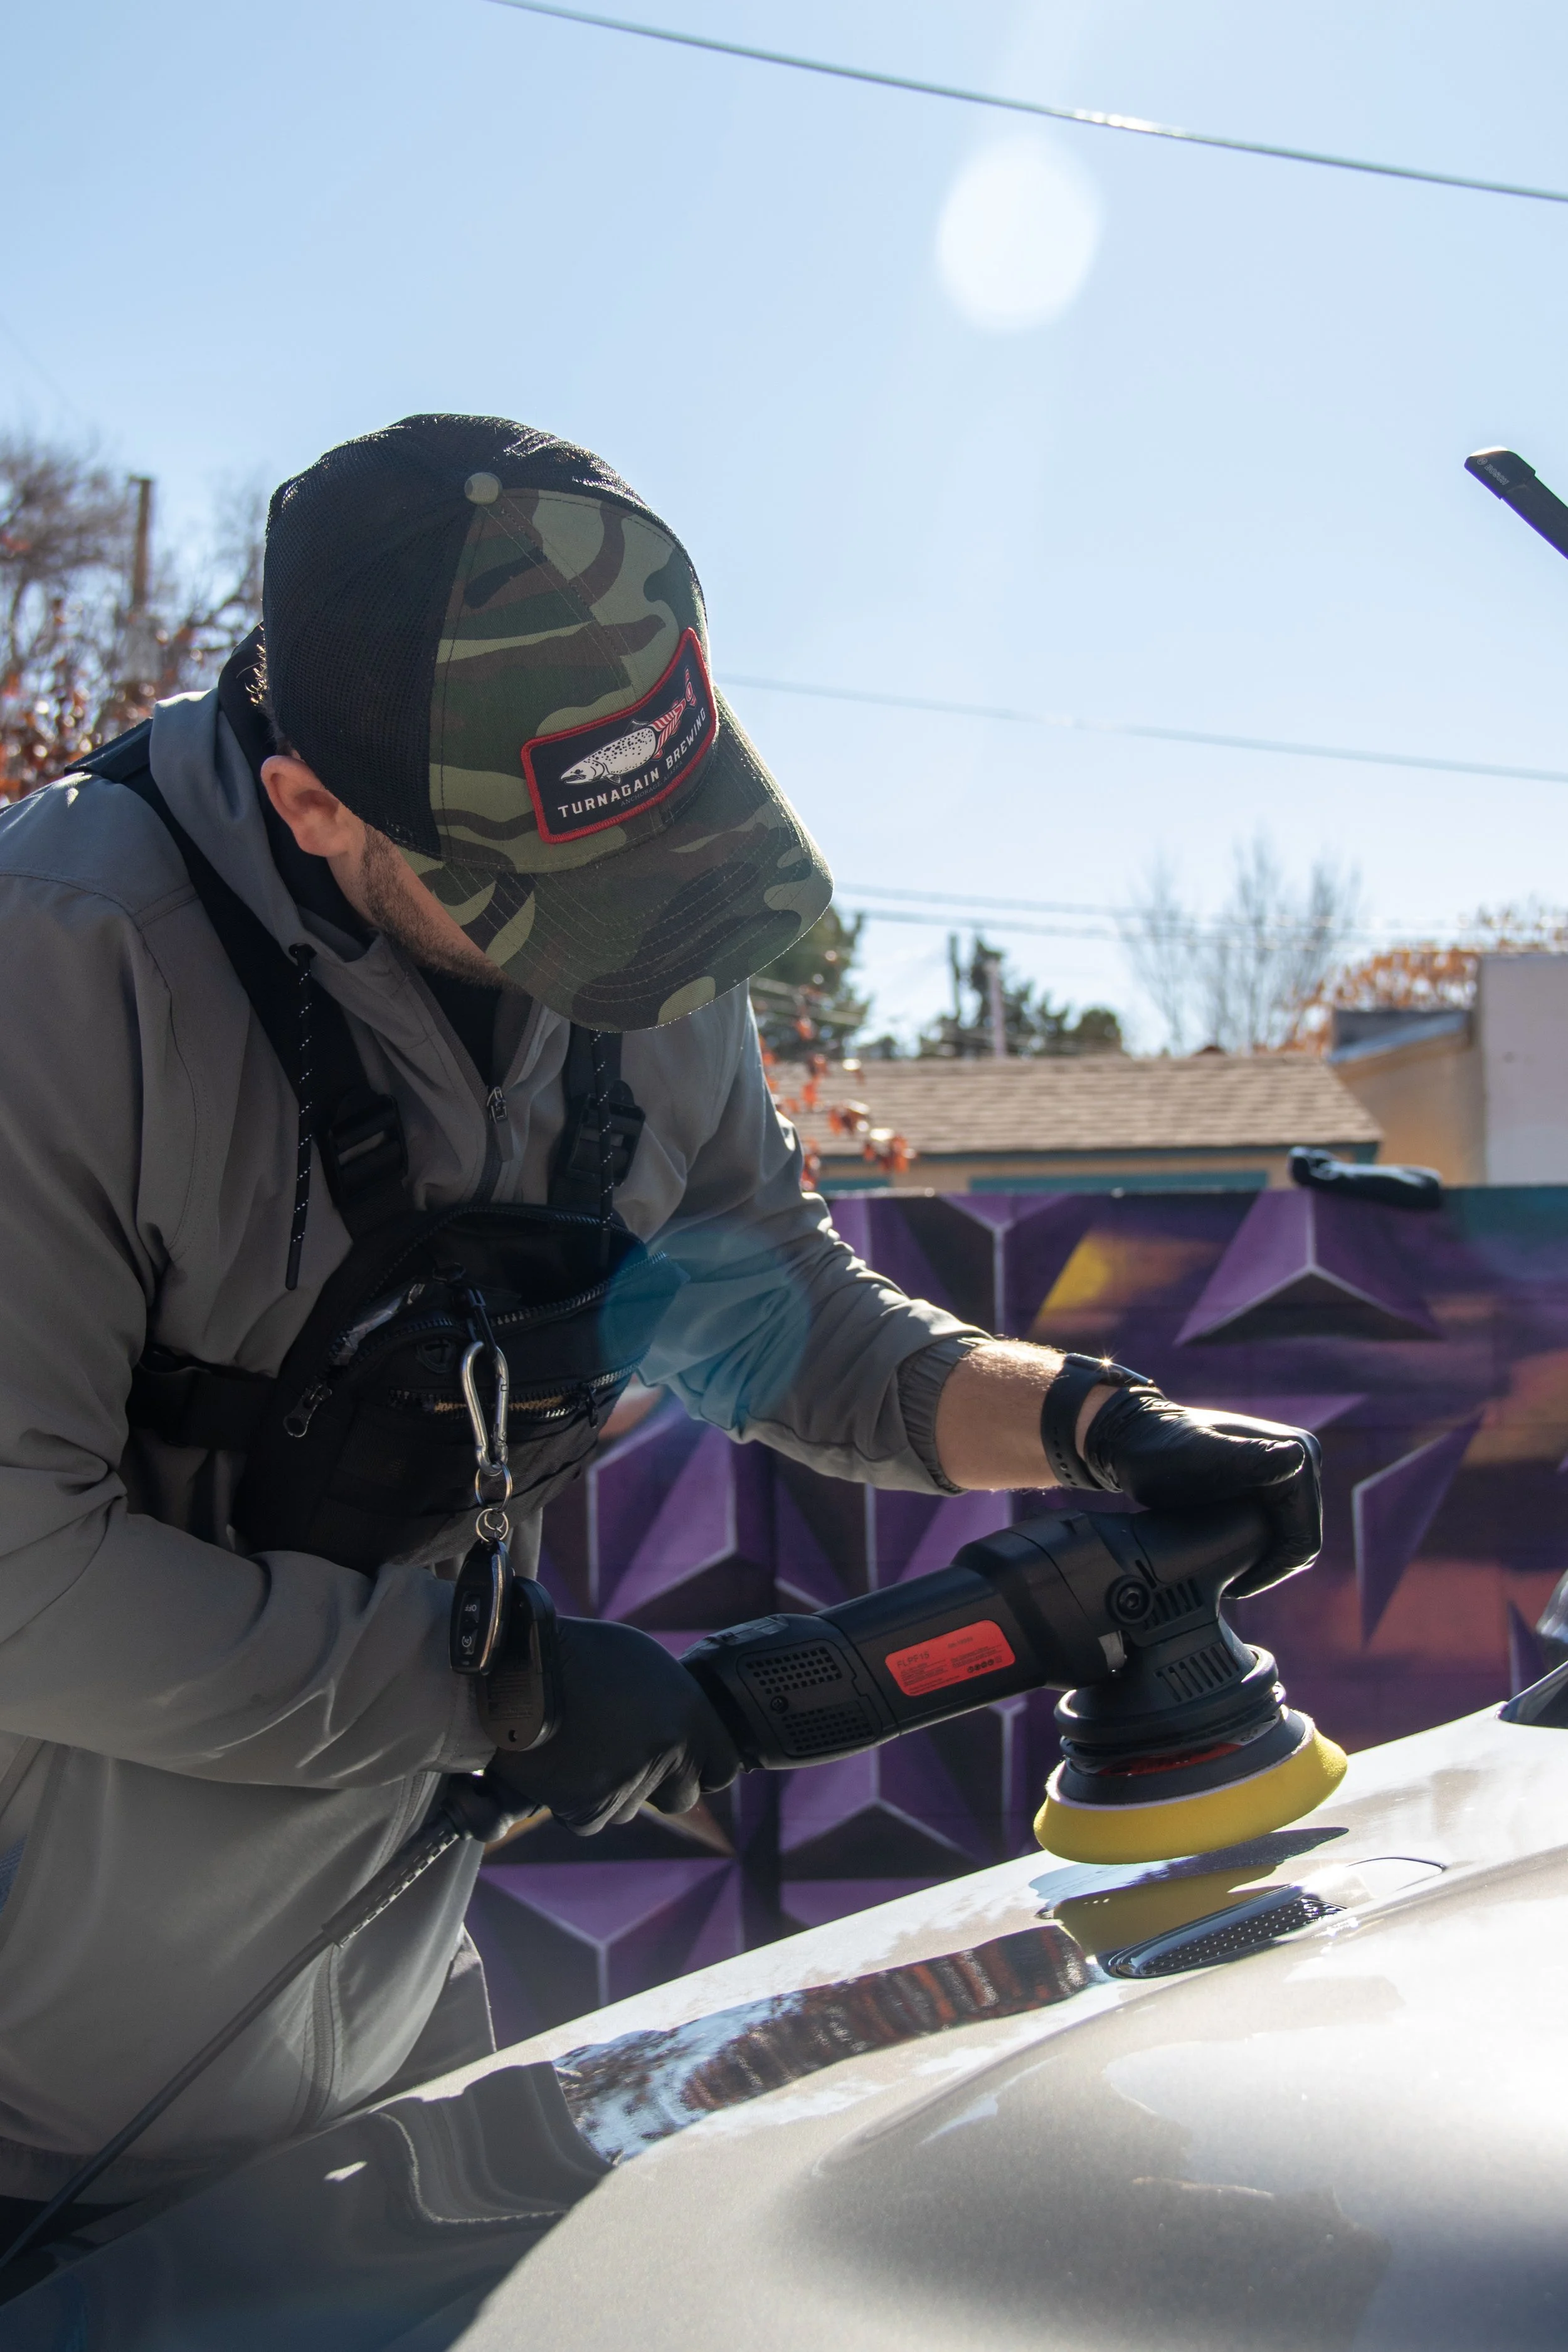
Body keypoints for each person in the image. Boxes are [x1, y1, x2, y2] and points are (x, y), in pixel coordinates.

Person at [0, 414, 1319, 2223]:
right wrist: (486, 1691)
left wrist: (1085, 1418)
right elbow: (18, 1575)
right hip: (35, 2117)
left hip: (386, 2053)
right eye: (559, 906)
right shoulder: (62, 964)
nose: (623, 955)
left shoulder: (644, 920)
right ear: (313, 803)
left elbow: (766, 1309)